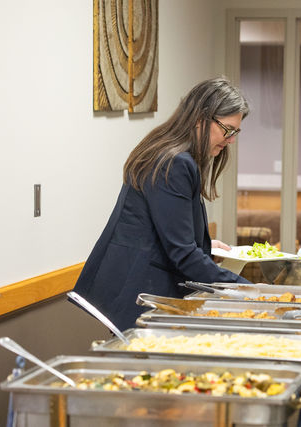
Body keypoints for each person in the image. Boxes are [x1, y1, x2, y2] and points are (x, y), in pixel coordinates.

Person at [73, 77, 251, 331]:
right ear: (201, 118)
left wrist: (205, 246)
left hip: (142, 291)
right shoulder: (175, 162)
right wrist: (249, 291)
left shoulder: (171, 153)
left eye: (235, 132)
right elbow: (183, 254)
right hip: (141, 294)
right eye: (228, 129)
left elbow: (162, 229)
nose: (231, 140)